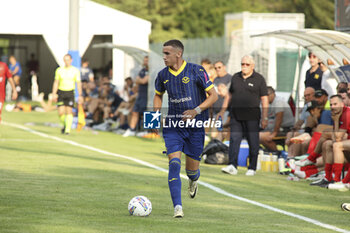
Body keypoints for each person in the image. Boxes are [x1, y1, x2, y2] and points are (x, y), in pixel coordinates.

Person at [153, 39, 218, 218]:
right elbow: (158, 96)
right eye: (163, 53)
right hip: (173, 126)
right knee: (174, 163)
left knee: (192, 171)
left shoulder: (196, 71)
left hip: (195, 127)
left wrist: (196, 111)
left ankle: (193, 180)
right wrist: (154, 119)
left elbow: (214, 96)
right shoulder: (162, 75)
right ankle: (177, 207)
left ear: (178, 54)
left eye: (167, 53)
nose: (164, 57)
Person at [220, 55, 268, 176]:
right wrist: (222, 111)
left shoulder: (259, 79)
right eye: (243, 64)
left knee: (253, 142)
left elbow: (264, 99)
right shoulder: (236, 77)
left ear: (252, 66)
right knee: (234, 140)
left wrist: (265, 117)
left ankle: (252, 167)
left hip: (252, 116)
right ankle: (232, 165)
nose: (244, 67)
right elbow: (229, 95)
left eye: (247, 64)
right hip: (236, 115)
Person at [51, 54, 83, 135]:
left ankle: (67, 130)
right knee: (60, 112)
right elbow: (56, 82)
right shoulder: (59, 70)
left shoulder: (75, 71)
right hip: (61, 92)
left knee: (69, 111)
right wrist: (54, 93)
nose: (66, 62)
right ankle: (65, 125)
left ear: (71, 60)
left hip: (70, 92)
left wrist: (80, 94)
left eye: (68, 60)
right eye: (65, 60)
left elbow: (78, 83)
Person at [259, 86, 294, 152]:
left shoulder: (279, 101)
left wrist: (274, 133)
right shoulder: (267, 103)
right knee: (253, 136)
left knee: (259, 136)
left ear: (272, 94)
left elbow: (279, 119)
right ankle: (272, 151)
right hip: (273, 129)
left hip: (285, 129)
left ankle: (277, 152)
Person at [123, 56, 149, 137]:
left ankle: (149, 131)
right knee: (135, 112)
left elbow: (144, 81)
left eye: (146, 61)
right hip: (140, 95)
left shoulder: (153, 70)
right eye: (144, 60)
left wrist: (140, 80)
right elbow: (137, 81)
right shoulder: (142, 70)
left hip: (148, 95)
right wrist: (140, 80)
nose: (145, 62)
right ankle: (132, 130)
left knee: (148, 112)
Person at [211, 61, 231, 140]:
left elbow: (228, 96)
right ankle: (216, 151)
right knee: (213, 135)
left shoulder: (229, 78)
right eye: (215, 68)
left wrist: (222, 111)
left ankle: (224, 150)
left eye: (219, 67)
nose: (217, 69)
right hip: (216, 112)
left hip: (225, 112)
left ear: (224, 67)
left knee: (223, 133)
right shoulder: (215, 79)